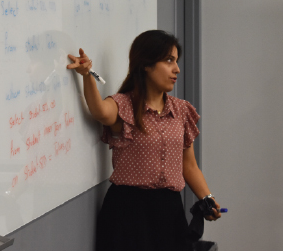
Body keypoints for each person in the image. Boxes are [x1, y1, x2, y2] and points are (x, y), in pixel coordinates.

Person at [66, 30, 221, 251]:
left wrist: (208, 198)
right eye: (169, 61)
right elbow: (100, 111)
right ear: (146, 64)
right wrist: (87, 74)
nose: (176, 69)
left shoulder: (181, 110)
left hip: (169, 211)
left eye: (176, 61)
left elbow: (189, 164)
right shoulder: (124, 104)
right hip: (128, 212)